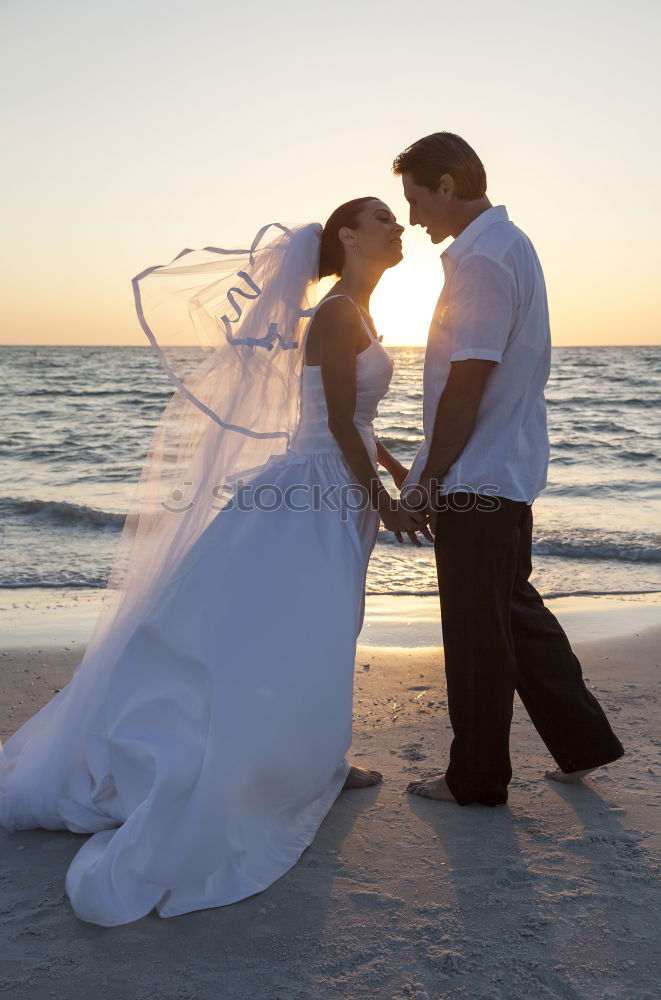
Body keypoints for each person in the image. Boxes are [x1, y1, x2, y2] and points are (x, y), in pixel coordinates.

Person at [0, 197, 426, 925]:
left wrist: (392, 467)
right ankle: (275, 763)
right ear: (347, 236)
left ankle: (321, 759)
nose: (399, 227)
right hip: (315, 492)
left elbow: (358, 419)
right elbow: (326, 423)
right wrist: (384, 501)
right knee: (302, 630)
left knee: (325, 628)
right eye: (382, 218)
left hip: (339, 487)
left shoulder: (356, 311)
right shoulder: (332, 313)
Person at [393, 132, 625, 807]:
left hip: (478, 474)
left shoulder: (485, 259)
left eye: (415, 199)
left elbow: (467, 384)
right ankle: (582, 743)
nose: (412, 218)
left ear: (445, 184)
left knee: (475, 635)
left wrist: (426, 482)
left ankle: (476, 779)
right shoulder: (503, 246)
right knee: (512, 615)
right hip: (501, 468)